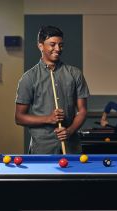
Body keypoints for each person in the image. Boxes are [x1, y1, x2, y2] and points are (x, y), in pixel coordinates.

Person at [15, 25, 90, 154]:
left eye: (60, 45)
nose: (57, 49)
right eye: (52, 44)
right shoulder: (28, 78)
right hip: (42, 148)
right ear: (40, 46)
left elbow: (82, 110)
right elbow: (19, 117)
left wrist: (70, 131)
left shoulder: (75, 74)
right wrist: (48, 119)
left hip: (71, 146)